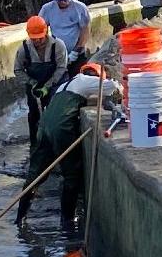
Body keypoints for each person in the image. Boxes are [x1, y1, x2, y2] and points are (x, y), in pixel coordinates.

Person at [16, 63, 118, 237]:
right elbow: (112, 87)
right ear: (96, 75)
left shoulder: (66, 84)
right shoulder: (86, 81)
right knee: (72, 174)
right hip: (61, 129)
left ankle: (20, 218)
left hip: (44, 126)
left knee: (36, 174)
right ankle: (68, 221)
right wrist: (117, 84)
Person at [14, 16, 69, 144]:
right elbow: (18, 70)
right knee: (34, 114)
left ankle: (57, 141)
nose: (37, 40)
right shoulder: (24, 49)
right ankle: (35, 144)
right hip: (34, 83)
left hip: (55, 82)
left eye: (40, 37)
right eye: (34, 38)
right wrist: (32, 83)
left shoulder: (58, 46)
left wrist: (47, 86)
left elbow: (61, 68)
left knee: (55, 111)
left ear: (46, 32)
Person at [38, 0, 92, 71]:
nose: (63, 2)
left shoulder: (80, 8)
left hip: (78, 54)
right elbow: (42, 30)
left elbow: (85, 31)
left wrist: (76, 51)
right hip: (57, 54)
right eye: (60, 0)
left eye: (65, 0)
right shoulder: (47, 9)